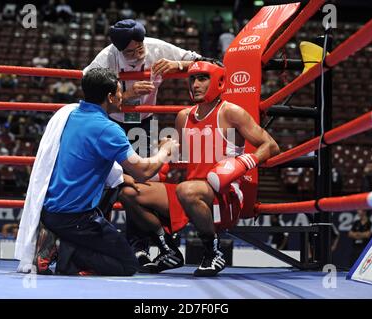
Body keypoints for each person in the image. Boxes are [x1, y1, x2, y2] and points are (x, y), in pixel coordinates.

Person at [119, 61, 280, 276]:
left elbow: (271, 145)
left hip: (223, 195)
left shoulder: (232, 113)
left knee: (186, 189)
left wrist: (243, 162)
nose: (195, 84)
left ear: (219, 81)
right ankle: (169, 249)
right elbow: (183, 155)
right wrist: (166, 149)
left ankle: (212, 252)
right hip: (189, 192)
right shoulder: (183, 117)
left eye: (202, 78)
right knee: (129, 191)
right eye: (192, 79)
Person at [28, 68, 178, 276]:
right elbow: (144, 171)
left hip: (50, 211)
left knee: (117, 185)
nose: (121, 96)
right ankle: (66, 253)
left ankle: (65, 243)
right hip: (76, 218)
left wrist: (120, 176)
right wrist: (164, 150)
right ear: (109, 97)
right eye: (118, 91)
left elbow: (85, 155)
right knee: (127, 265)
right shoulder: (106, 128)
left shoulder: (68, 114)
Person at [83, 19, 201, 261]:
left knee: (138, 185)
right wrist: (126, 95)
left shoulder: (156, 47)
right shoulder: (107, 58)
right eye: (130, 52)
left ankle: (139, 244)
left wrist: (178, 64)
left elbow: (203, 62)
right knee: (106, 182)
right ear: (118, 50)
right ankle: (94, 245)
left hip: (144, 122)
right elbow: (89, 91)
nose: (138, 54)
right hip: (112, 123)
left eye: (140, 48)